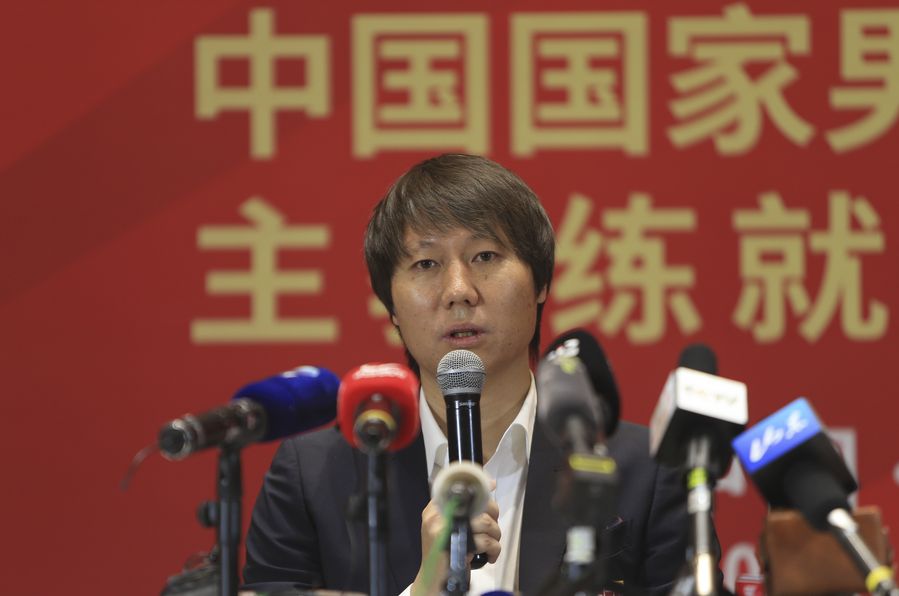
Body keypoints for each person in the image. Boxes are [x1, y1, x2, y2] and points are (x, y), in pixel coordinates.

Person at [243, 154, 720, 595]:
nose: (459, 290)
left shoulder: (646, 470)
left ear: (541, 282)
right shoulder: (313, 476)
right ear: (391, 306)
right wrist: (423, 589)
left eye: (485, 257)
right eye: (426, 264)